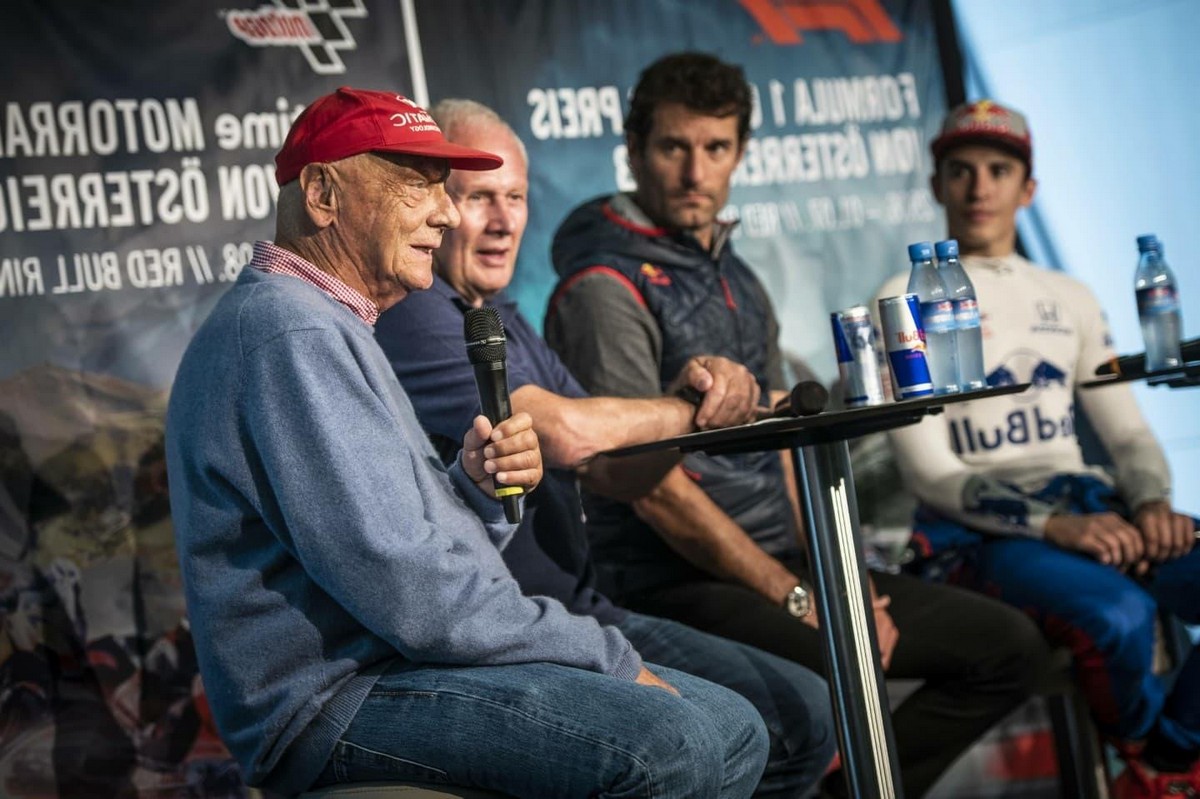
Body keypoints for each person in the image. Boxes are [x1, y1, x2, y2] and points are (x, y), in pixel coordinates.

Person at [164, 86, 773, 799]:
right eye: (417, 188)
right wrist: (598, 651)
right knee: (675, 743)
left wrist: (471, 492)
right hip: (331, 701)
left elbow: (393, 549)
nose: (447, 212)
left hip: (391, 667)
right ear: (324, 195)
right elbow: (415, 597)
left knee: (737, 728)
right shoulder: (290, 332)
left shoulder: (325, 323)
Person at [546, 54, 1051, 798]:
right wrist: (798, 597)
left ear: (741, 153)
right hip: (672, 578)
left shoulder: (736, 278)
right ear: (634, 149)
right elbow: (648, 488)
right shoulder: (603, 286)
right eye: (673, 148)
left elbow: (785, 441)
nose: (695, 172)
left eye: (715, 148)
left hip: (778, 559)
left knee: (1008, 648)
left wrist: (837, 574)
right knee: (820, 683)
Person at [375, 97, 838, 798]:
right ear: (435, 204)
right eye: (478, 197)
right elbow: (557, 431)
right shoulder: (415, 315)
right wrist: (689, 406)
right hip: (513, 634)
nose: (502, 221)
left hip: (584, 611)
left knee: (805, 713)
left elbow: (615, 471)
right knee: (758, 725)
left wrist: (691, 419)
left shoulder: (502, 318)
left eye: (516, 197)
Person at [874, 99, 1200, 797]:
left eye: (999, 170)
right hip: (978, 536)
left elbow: (1129, 432)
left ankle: (1167, 761)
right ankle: (1157, 762)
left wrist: (1150, 500)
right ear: (936, 187)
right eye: (959, 171)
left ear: (1029, 190)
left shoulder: (1071, 295)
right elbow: (931, 474)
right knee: (1120, 614)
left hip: (1089, 507)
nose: (979, 188)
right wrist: (1057, 525)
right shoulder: (900, 296)